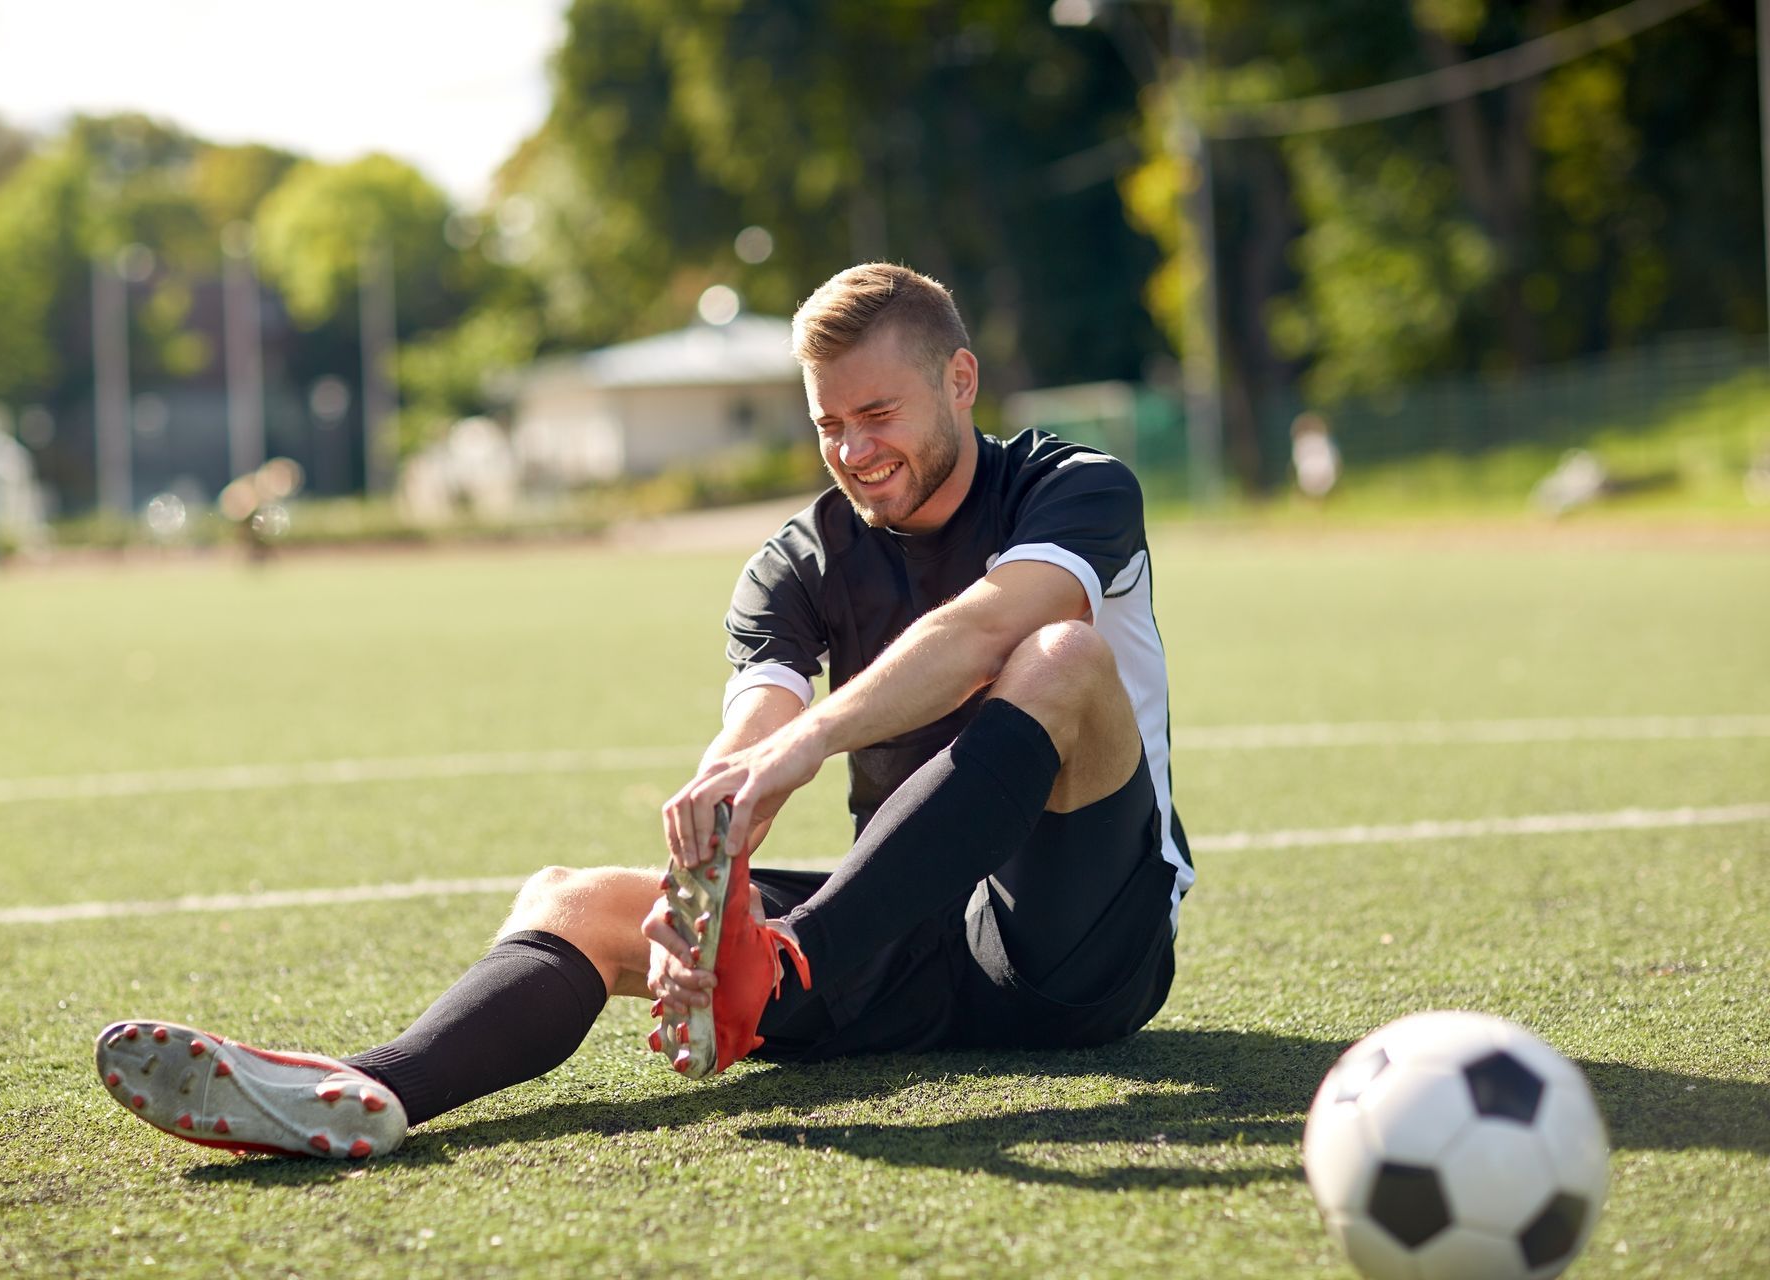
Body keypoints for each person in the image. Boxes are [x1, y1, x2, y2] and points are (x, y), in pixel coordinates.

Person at [94, 263, 1194, 1160]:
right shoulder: (800, 557)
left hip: (1079, 946)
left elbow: (992, 630)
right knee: (571, 895)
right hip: (898, 934)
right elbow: (756, 723)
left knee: (1058, 655)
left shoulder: (1076, 486)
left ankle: (787, 969)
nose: (855, 450)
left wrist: (810, 752)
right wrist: (703, 883)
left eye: (878, 413)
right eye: (829, 426)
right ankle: (361, 1090)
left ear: (960, 380)